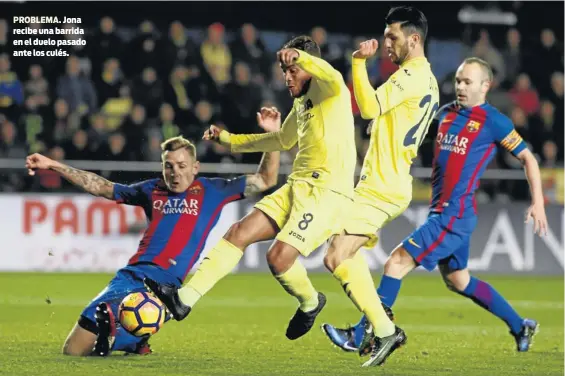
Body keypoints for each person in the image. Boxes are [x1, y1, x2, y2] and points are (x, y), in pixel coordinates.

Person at [324, 57, 546, 362]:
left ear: (485, 85)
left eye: (468, 82)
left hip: (452, 215)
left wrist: (538, 203)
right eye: (458, 81)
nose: (460, 87)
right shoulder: (444, 114)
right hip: (441, 212)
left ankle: (361, 334)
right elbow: (411, 135)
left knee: (395, 264)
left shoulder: (494, 121)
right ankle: (521, 326)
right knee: (459, 280)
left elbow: (529, 159)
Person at [145, 35, 357, 341]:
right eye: (285, 72)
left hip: (327, 193)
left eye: (292, 71)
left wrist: (298, 56)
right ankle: (183, 300)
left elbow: (332, 74)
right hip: (297, 186)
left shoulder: (331, 88)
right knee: (237, 233)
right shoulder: (302, 103)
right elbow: (282, 142)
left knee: (278, 258)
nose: (287, 77)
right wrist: (230, 139)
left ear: (309, 66)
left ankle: (311, 302)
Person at [25, 128, 281, 357]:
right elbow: (102, 186)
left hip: (166, 287)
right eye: (169, 166)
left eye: (182, 166)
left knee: (143, 317)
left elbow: (266, 179)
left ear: (195, 167)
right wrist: (53, 164)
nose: (175, 173)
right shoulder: (151, 190)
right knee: (73, 350)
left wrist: (273, 135)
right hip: (130, 275)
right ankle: (129, 342)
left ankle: (121, 338)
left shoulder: (213, 190)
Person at [320, 6, 439, 367]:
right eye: (385, 36)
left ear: (414, 39)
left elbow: (369, 107)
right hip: (387, 182)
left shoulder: (412, 75)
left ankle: (382, 330)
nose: (387, 43)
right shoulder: (429, 80)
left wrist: (358, 63)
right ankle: (367, 331)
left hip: (382, 186)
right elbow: (397, 117)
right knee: (339, 251)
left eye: (393, 37)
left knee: (336, 255)